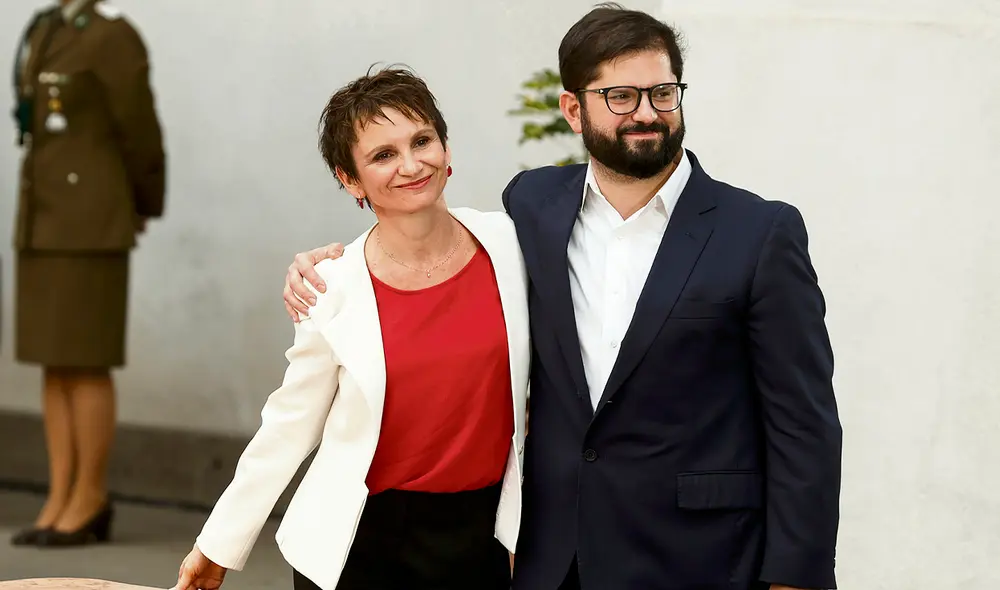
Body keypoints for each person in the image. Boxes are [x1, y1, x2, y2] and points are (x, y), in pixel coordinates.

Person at [282, 5, 842, 590]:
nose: (646, 113)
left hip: (701, 557)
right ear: (573, 109)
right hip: (554, 559)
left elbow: (804, 425)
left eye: (662, 93)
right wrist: (335, 267)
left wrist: (795, 578)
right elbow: (434, 247)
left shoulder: (760, 233)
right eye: (620, 96)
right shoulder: (532, 207)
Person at [172, 67, 529, 590]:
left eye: (422, 141)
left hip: (485, 534)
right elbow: (289, 423)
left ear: (446, 148)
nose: (411, 165)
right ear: (350, 179)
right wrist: (217, 545)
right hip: (360, 545)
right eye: (383, 155)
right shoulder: (331, 285)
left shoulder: (512, 245)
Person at [10, 0, 166, 547]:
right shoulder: (46, 27)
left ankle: (89, 496)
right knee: (54, 363)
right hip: (43, 218)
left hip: (90, 221)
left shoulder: (110, 35)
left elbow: (139, 130)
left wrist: (143, 202)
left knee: (86, 360)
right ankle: (59, 497)